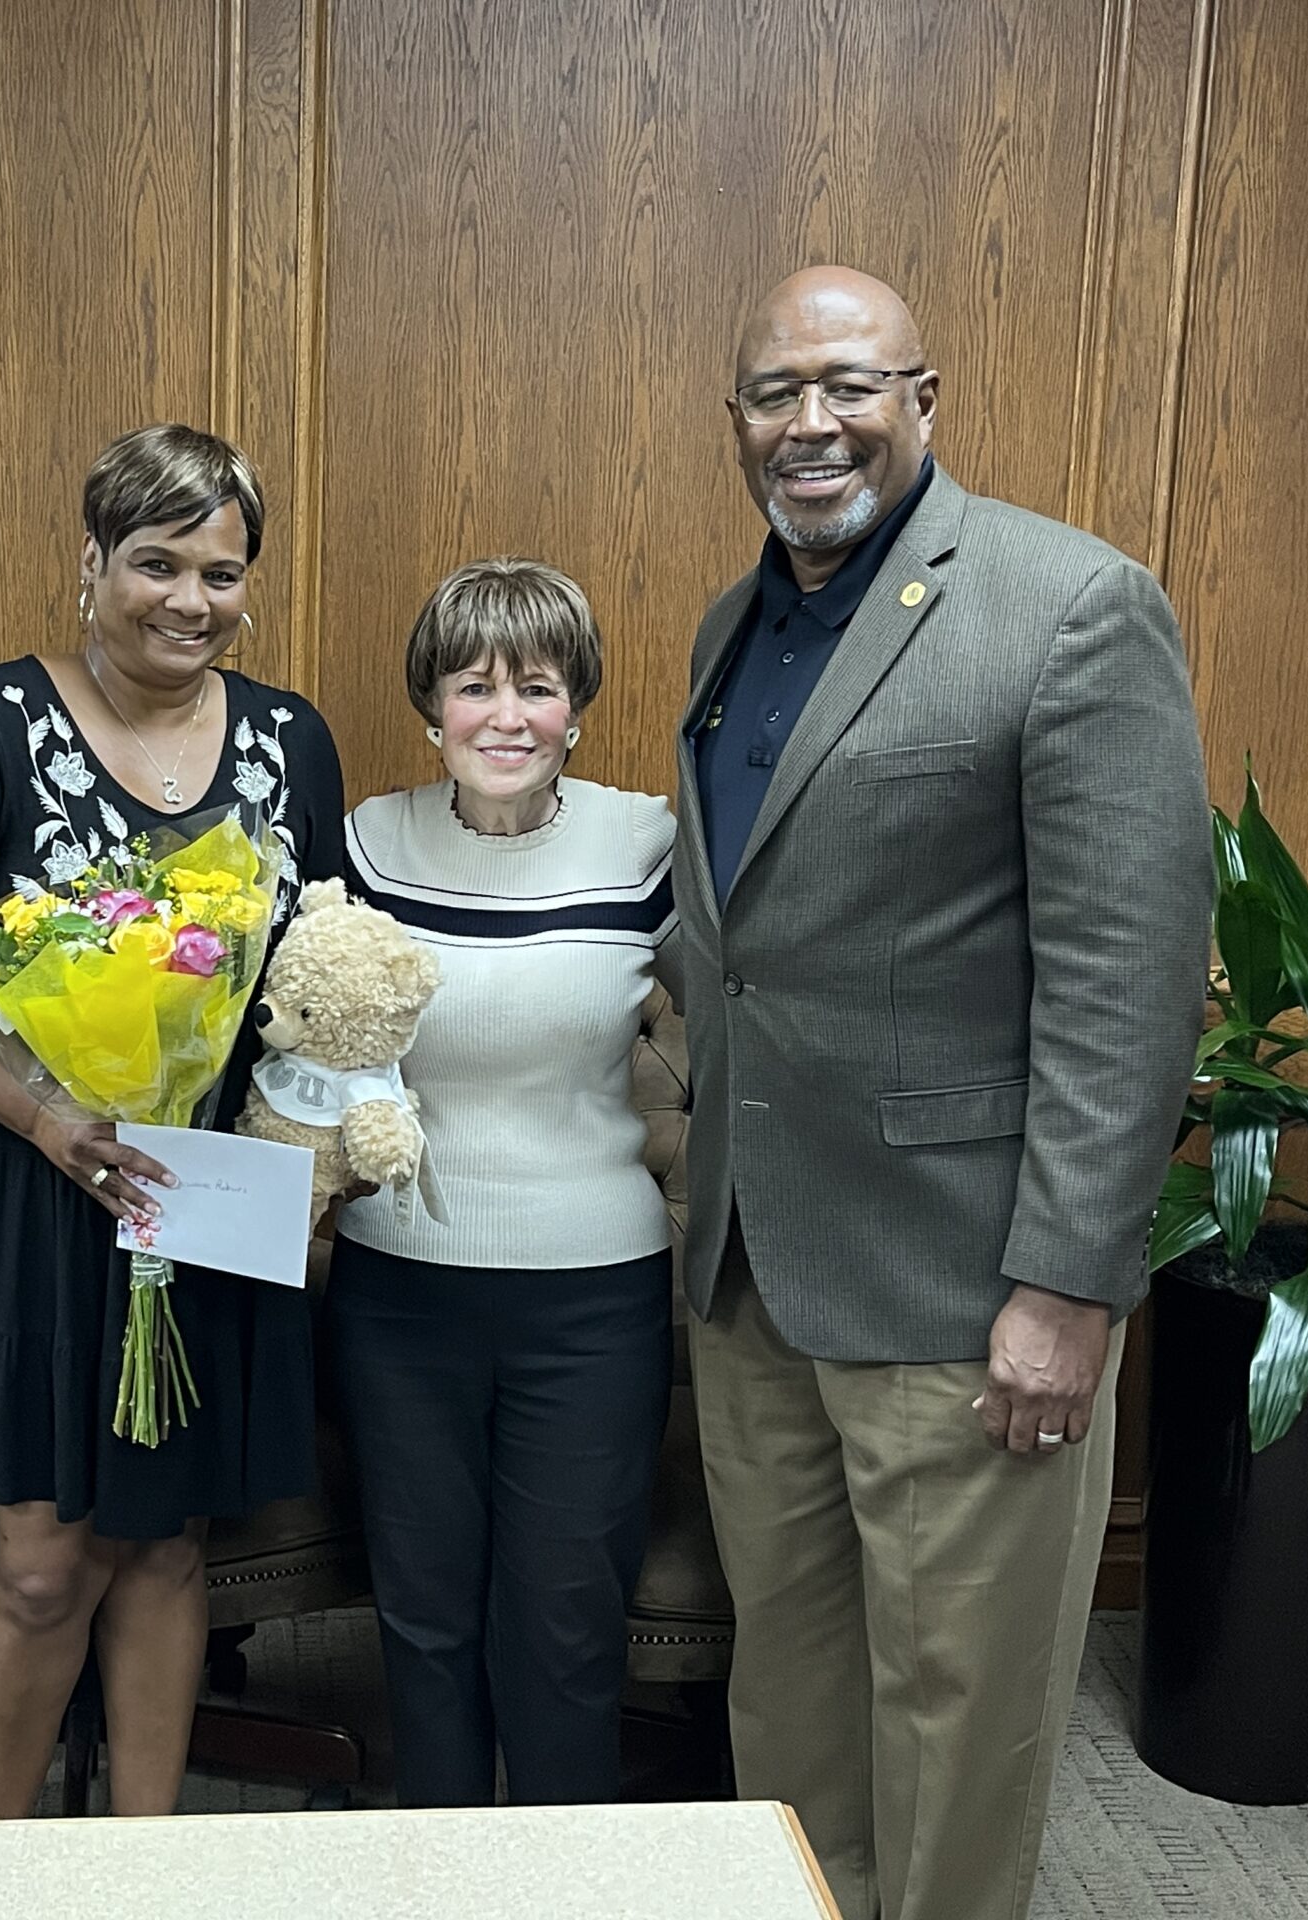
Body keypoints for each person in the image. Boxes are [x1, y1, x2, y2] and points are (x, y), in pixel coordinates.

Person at [671, 266, 1211, 1919]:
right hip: (756, 1268)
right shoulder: (732, 623)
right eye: (775, 390)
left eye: (850, 383)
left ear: (925, 396)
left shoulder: (1068, 605)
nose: (810, 423)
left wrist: (1069, 1286)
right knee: (794, 1692)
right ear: (738, 417)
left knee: (959, 1720)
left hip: (965, 1290)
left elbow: (1128, 984)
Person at [0, 423, 345, 1818]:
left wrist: (307, 1160)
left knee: (169, 1549)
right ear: (92, 564)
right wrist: (52, 1121)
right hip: (25, 1195)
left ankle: (143, 1863)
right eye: (156, 562)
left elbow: (307, 974)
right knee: (40, 1561)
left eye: (222, 570)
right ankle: (20, 1870)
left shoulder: (293, 740)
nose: (189, 599)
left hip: (205, 1194)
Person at [330, 559, 678, 1807]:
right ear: (432, 704)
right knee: (421, 1625)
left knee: (567, 1630)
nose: (507, 715)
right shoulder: (368, 840)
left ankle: (560, 1880)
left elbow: (757, 1018)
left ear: (576, 703)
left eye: (537, 685)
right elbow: (307, 1051)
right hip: (401, 1294)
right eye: (474, 685)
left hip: (592, 1300)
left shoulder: (646, 842)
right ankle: (435, 1873)